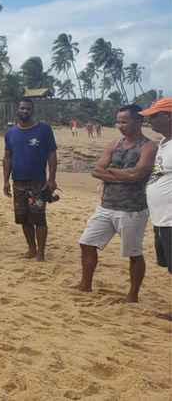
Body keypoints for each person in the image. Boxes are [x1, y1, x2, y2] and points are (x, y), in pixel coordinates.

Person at [77, 105, 156, 302]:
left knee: (133, 253)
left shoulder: (148, 146)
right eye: (118, 121)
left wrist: (111, 173)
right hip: (106, 206)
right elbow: (96, 170)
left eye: (124, 121)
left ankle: (133, 295)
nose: (119, 125)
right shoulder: (114, 144)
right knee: (86, 243)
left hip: (132, 209)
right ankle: (85, 285)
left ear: (138, 121)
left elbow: (139, 174)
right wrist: (126, 174)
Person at [3, 99, 57, 262]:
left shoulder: (44, 130)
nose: (24, 111)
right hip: (18, 182)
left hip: (38, 183)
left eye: (27, 108)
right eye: (21, 108)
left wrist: (52, 179)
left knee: (39, 217)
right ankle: (31, 248)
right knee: (23, 217)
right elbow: (7, 157)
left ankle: (41, 252)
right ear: (17, 110)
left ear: (32, 111)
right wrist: (5, 181)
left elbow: (52, 154)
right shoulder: (10, 133)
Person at [140, 98, 172, 318]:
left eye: (154, 116)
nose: (150, 120)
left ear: (168, 116)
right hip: (161, 218)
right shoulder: (164, 143)